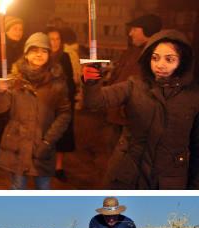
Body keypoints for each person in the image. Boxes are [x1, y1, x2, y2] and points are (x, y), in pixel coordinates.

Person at [83, 29, 199, 189]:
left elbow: (196, 148)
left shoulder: (193, 97)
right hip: (127, 175)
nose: (160, 65)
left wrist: (194, 190)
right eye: (155, 58)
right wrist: (91, 81)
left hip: (168, 182)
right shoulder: (134, 86)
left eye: (169, 59)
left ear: (183, 62)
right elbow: (94, 102)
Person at [0, 33, 71, 189]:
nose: (39, 54)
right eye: (34, 50)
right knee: (18, 192)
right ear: (26, 54)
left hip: (42, 147)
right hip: (17, 147)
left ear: (49, 55)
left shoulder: (57, 82)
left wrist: (48, 140)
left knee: (43, 192)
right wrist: (0, 91)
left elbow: (65, 113)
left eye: (44, 51)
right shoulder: (13, 80)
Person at [104, 14, 162, 151]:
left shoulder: (155, 56)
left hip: (131, 119)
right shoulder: (133, 51)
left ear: (146, 30)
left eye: (134, 29)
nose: (130, 33)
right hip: (118, 115)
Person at [0, 16, 24, 160]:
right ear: (6, 30)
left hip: (17, 93)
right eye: (14, 29)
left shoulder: (21, 48)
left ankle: (11, 152)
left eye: (20, 29)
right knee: (1, 125)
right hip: (1, 92)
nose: (18, 32)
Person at [47, 27, 77, 181]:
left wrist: (67, 97)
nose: (55, 42)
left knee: (62, 135)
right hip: (46, 103)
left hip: (62, 102)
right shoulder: (42, 56)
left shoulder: (64, 57)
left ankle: (59, 167)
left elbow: (70, 79)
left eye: (57, 39)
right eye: (51, 39)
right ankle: (45, 163)